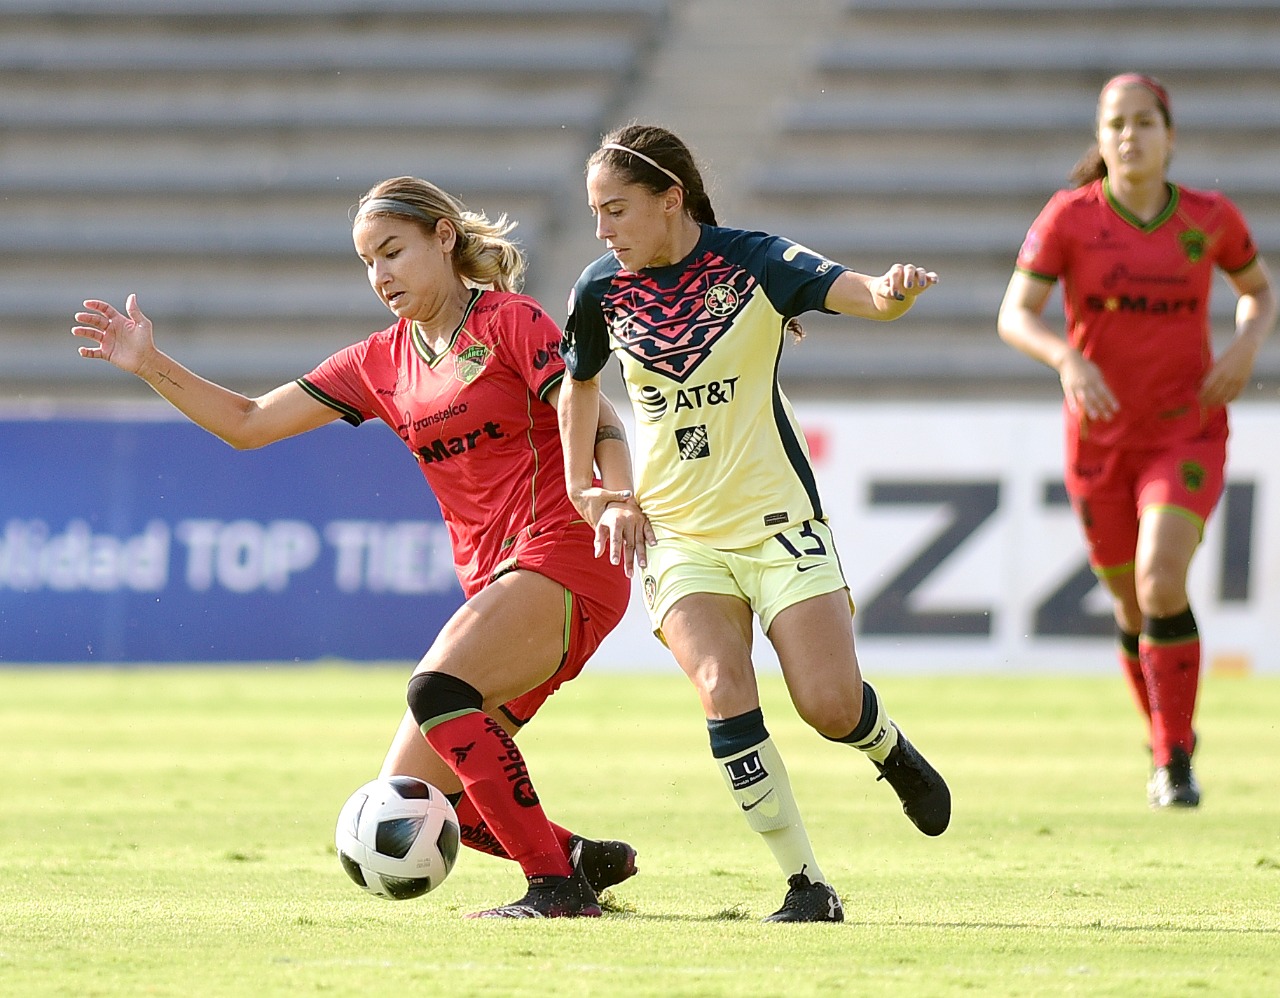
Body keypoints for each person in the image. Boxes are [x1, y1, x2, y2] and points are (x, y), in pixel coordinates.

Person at [71, 175, 650, 918]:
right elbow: (249, 423)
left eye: (392, 251)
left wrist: (613, 495)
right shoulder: (379, 362)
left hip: (564, 553)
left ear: (444, 237)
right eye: (367, 262)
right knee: (417, 796)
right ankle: (581, 860)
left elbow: (593, 411)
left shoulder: (511, 321)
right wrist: (148, 362)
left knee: (436, 690)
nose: (380, 275)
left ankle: (555, 890)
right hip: (498, 581)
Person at [556, 123, 953, 924]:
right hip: (677, 535)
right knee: (721, 686)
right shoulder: (599, 290)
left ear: (671, 199)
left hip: (778, 524)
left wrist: (894, 292)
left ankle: (885, 746)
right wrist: (588, 488)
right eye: (595, 212)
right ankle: (807, 885)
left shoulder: (755, 262)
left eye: (616, 210)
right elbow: (580, 384)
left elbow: (864, 295)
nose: (601, 230)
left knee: (829, 705)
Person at [997, 74, 1276, 809]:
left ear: (1169, 135)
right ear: (1100, 137)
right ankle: (1165, 736)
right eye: (1116, 123)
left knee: (1158, 580)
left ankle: (1174, 759)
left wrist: (1245, 346)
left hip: (1186, 430)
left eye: (1144, 122)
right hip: (1099, 442)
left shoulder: (1210, 218)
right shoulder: (1069, 218)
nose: (1130, 136)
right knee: (1129, 605)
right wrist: (1066, 358)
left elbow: (1257, 290)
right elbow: (1015, 314)